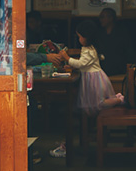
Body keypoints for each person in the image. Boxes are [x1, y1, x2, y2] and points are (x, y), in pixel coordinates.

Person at [52, 20, 125, 157]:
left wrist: (67, 58)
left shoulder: (89, 49)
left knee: (98, 103)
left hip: (94, 81)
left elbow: (81, 63)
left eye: (80, 36)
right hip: (91, 79)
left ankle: (118, 99)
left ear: (87, 36)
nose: (79, 39)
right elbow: (83, 64)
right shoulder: (89, 48)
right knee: (93, 104)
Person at [95, 7, 134, 76]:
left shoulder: (121, 32)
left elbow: (128, 51)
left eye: (103, 17)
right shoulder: (99, 33)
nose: (100, 20)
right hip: (102, 65)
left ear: (111, 18)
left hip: (118, 65)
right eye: (100, 17)